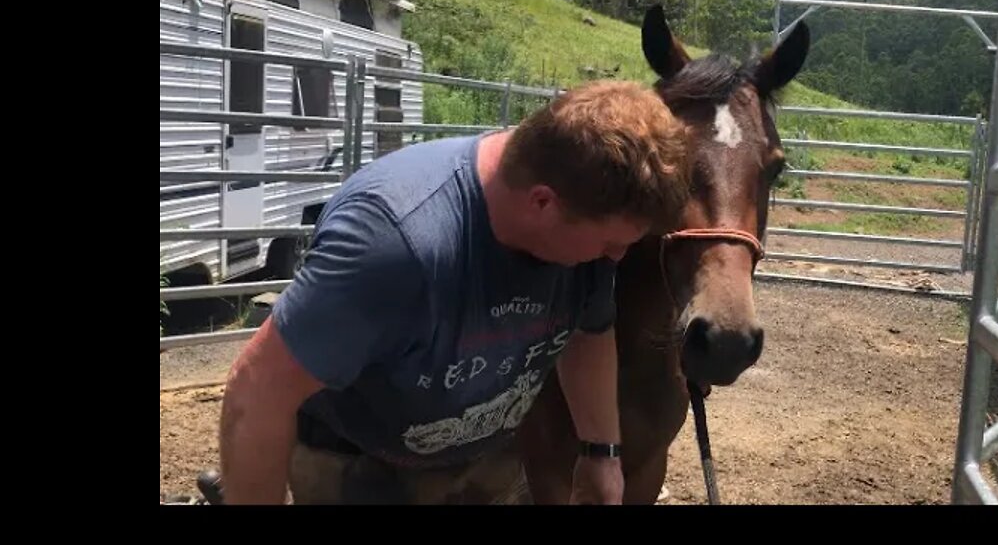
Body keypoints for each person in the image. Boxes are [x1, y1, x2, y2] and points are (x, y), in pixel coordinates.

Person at [216, 80, 691, 505]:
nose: (615, 259)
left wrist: (601, 452)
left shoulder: (587, 232)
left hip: (487, 456)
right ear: (543, 202)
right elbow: (258, 390)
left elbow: (588, 329)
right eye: (610, 242)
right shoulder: (396, 244)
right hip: (359, 462)